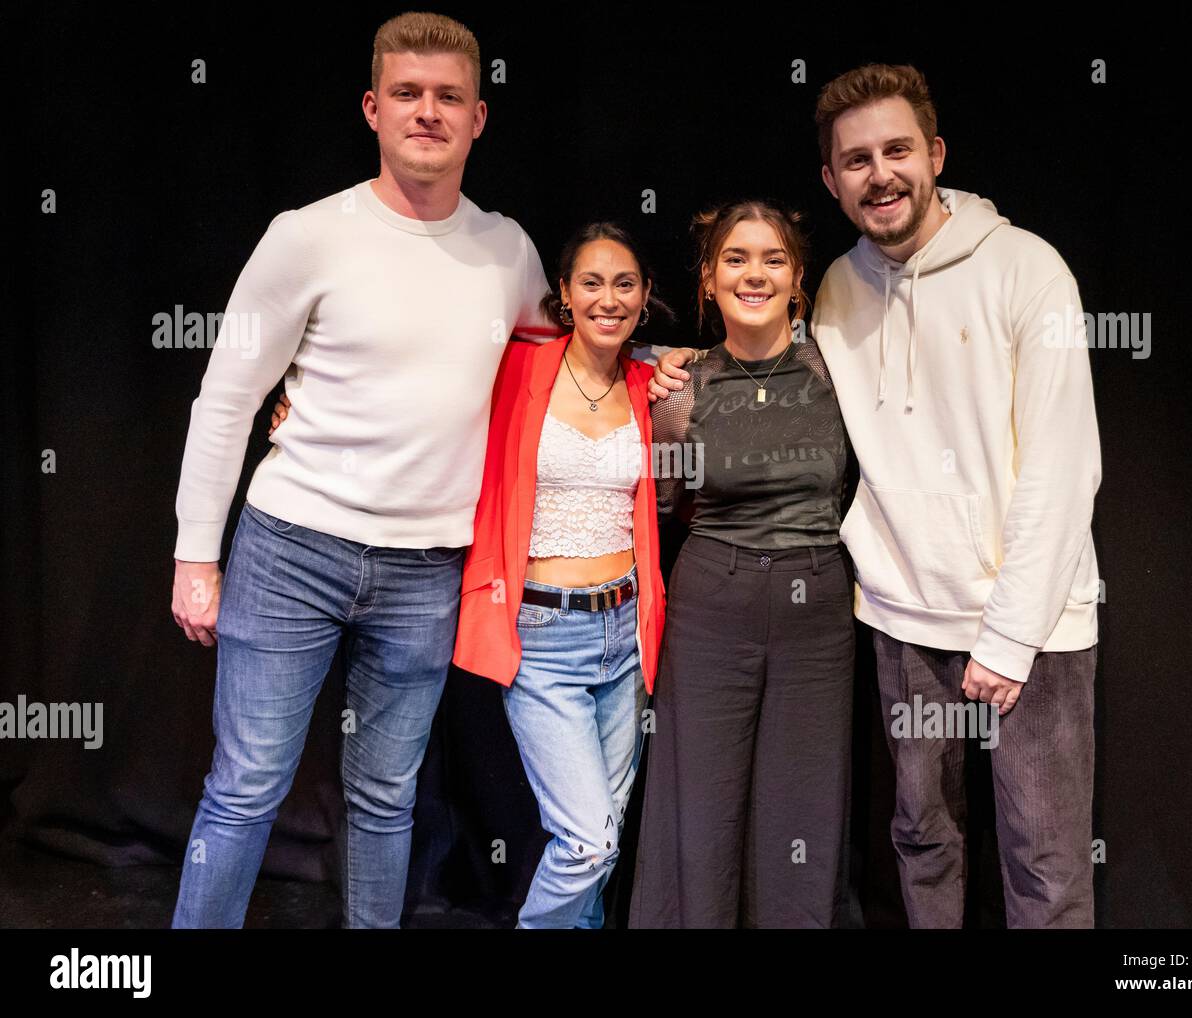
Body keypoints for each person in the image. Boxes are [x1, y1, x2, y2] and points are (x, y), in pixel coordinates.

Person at [653, 64, 1103, 929]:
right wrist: (656, 363)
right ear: (831, 180)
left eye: (897, 150)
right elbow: (762, 365)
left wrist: (1008, 638)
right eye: (855, 160)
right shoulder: (838, 289)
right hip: (902, 618)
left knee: (1044, 865)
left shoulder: (1027, 269)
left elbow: (1063, 464)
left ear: (934, 153)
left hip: (1034, 628)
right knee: (922, 843)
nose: (880, 174)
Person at [169, 12, 560, 929]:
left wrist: (657, 373)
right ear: (373, 108)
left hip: (428, 569)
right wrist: (196, 557)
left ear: (478, 117)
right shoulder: (308, 234)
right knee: (247, 787)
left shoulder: (508, 251)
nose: (428, 113)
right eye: (409, 95)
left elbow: (565, 370)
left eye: (449, 97)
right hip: (290, 549)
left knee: (387, 800)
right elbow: (226, 400)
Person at [275, 224, 671, 929]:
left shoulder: (651, 382)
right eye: (591, 282)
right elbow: (414, 389)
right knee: (588, 842)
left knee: (602, 845)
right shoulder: (518, 370)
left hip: (626, 633)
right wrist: (302, 409)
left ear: (645, 296)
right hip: (544, 634)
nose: (608, 298)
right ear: (563, 296)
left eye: (625, 284)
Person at [628, 201, 857, 928]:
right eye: (735, 258)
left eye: (772, 259)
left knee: (802, 810)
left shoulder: (837, 368)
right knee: (701, 806)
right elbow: (663, 504)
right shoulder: (683, 388)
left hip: (818, 611)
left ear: (797, 280)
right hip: (712, 604)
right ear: (708, 279)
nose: (752, 273)